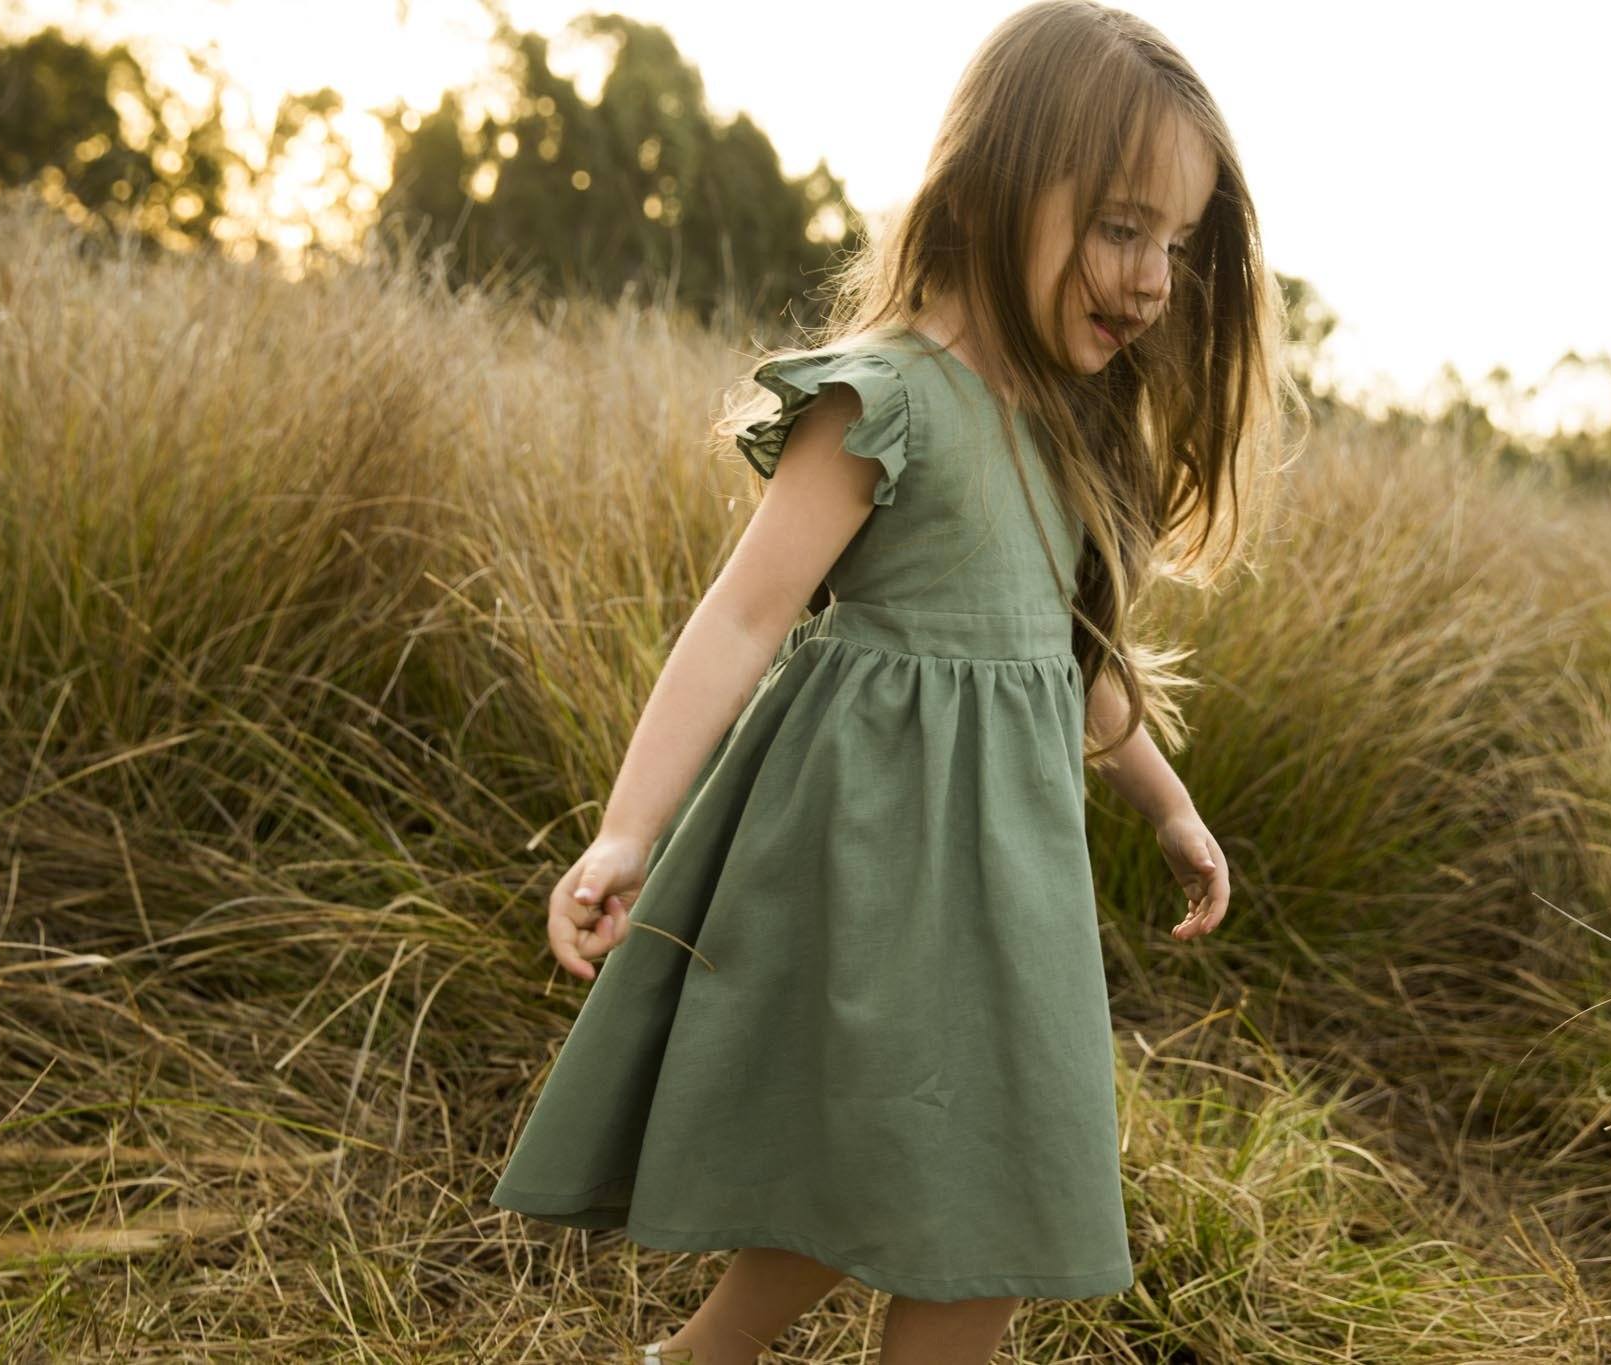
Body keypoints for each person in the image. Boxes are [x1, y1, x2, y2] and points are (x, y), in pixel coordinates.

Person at [488, 3, 1296, 1361]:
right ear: (995, 185)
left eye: (1176, 243)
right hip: (868, 876)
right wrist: (627, 827)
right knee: (859, 1168)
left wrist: (1166, 802)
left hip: (1006, 901)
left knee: (980, 1203)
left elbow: (1064, 666)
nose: (1154, 278)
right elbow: (742, 618)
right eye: (1118, 226)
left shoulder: (1075, 435)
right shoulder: (889, 399)